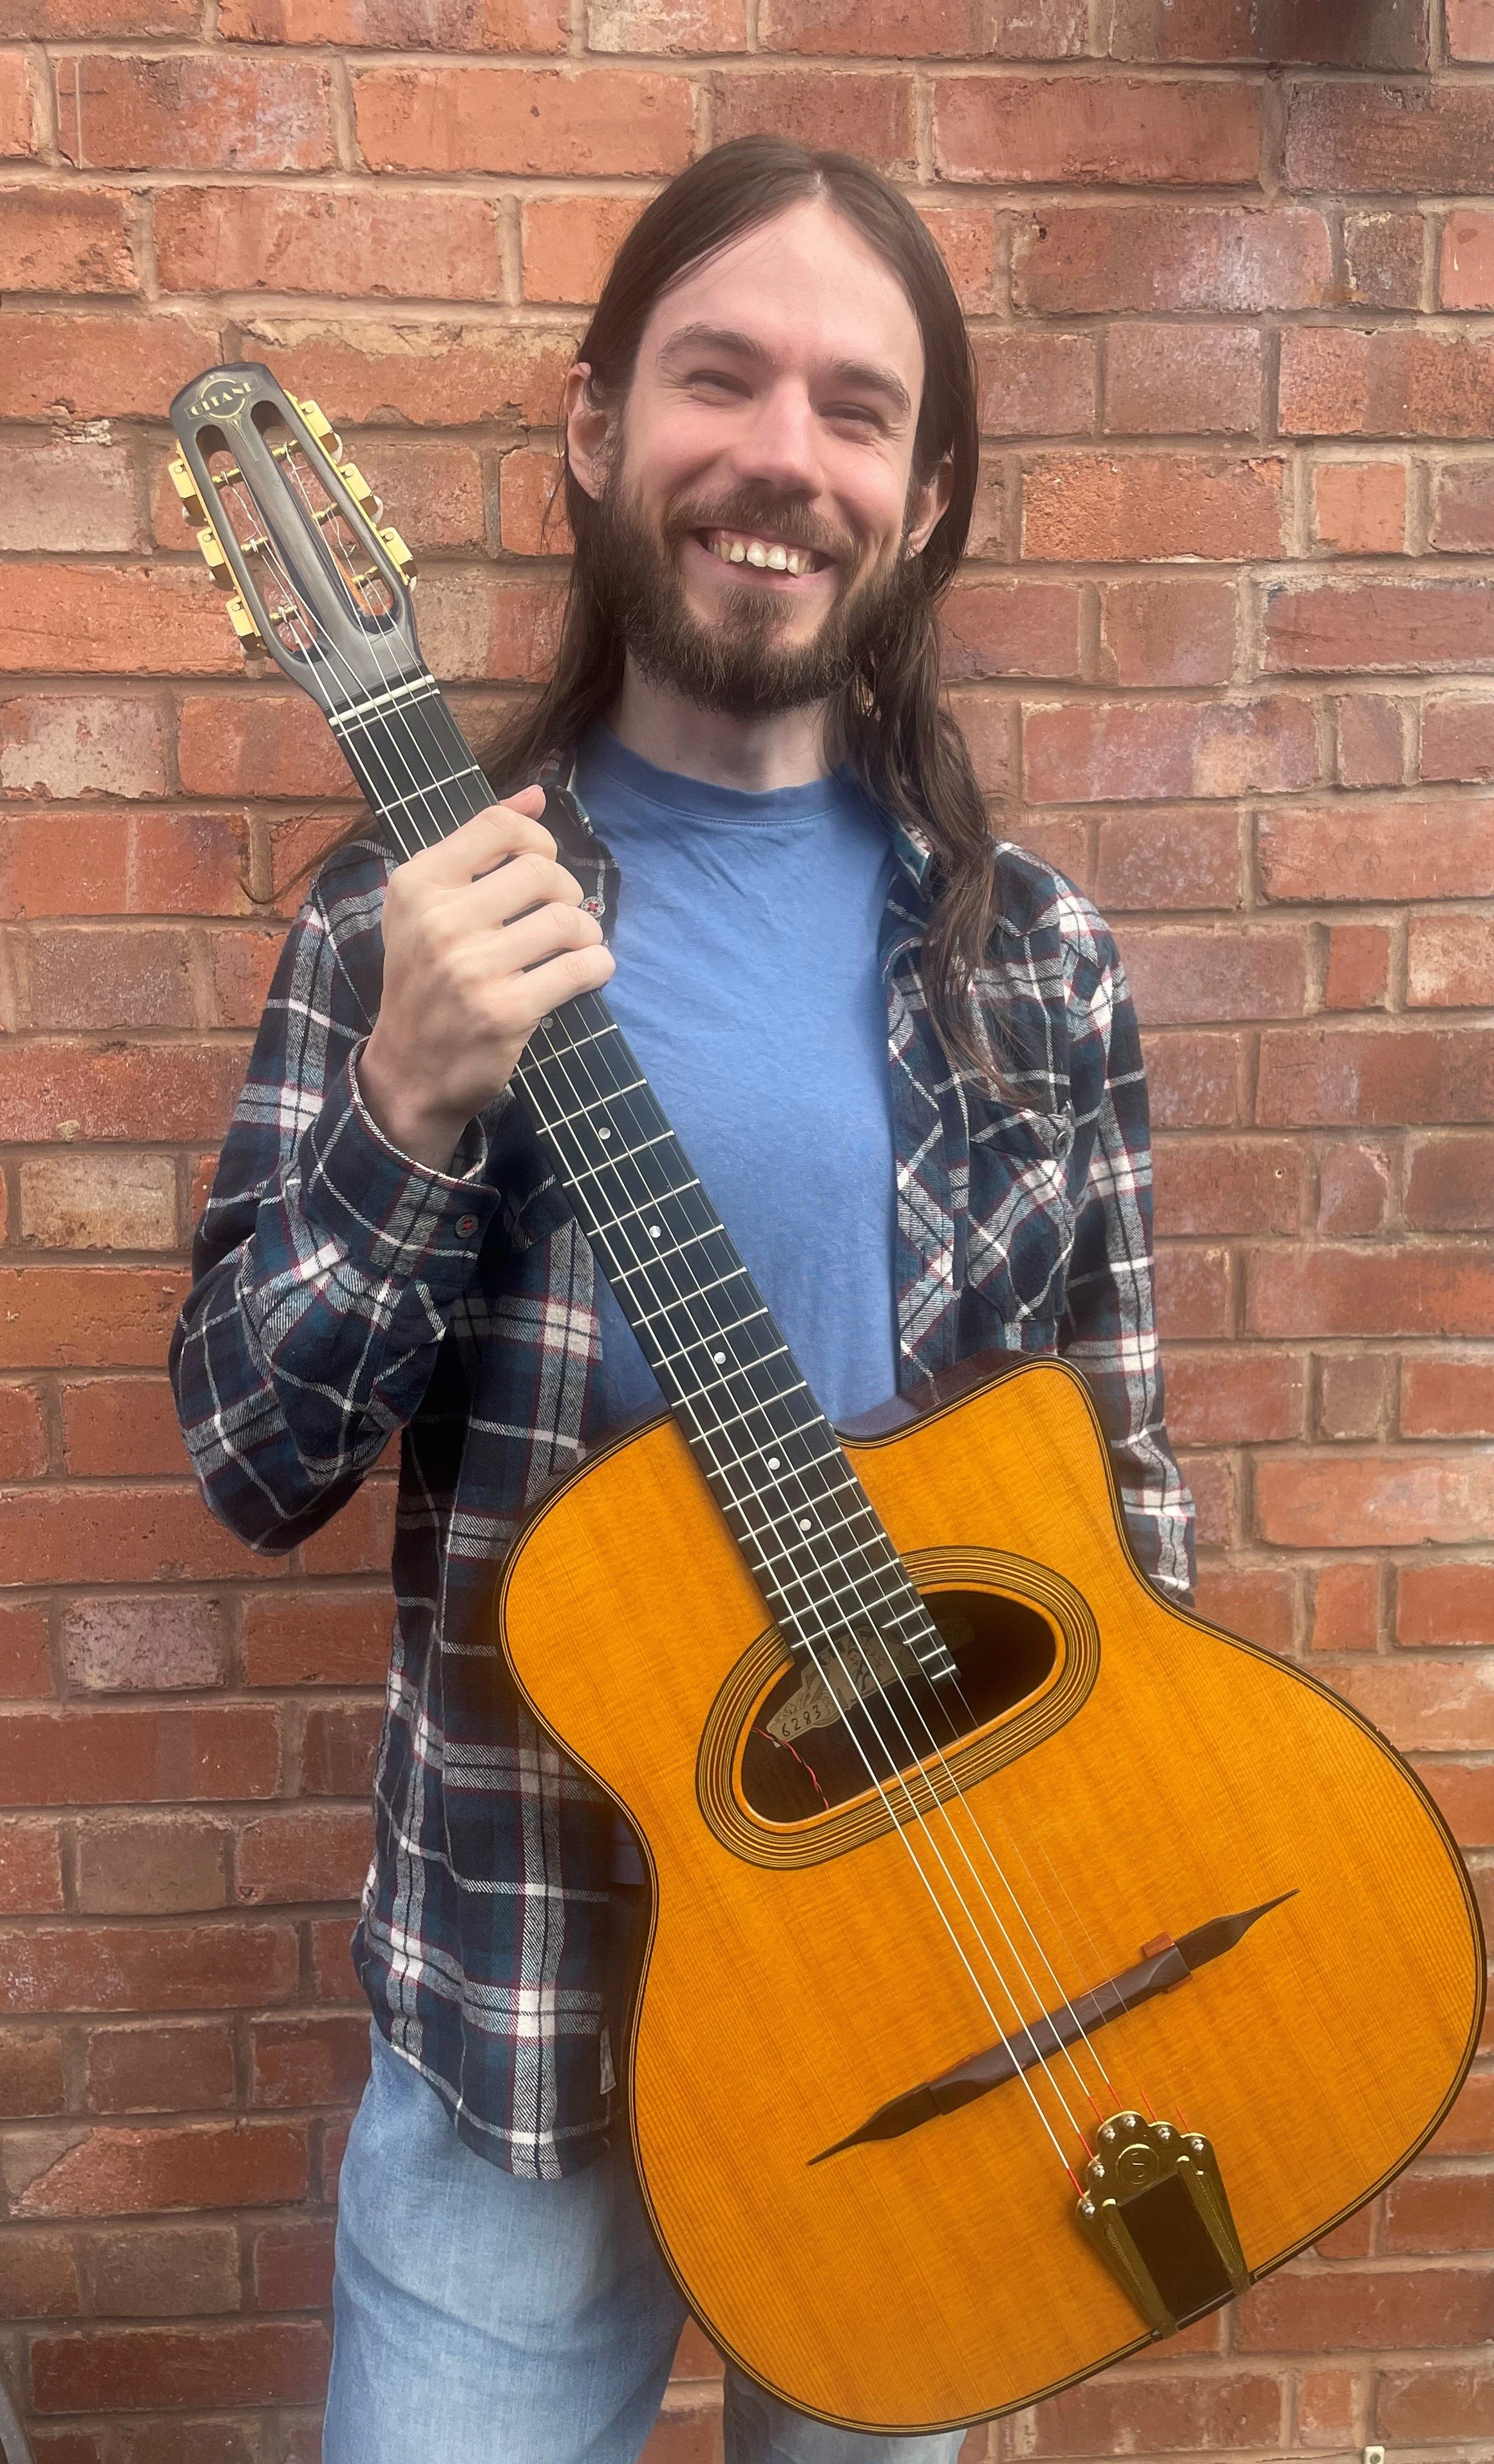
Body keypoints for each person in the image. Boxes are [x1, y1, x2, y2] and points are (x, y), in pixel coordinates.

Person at [171, 136, 1194, 2464]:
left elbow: (1123, 1493)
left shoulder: (1035, 967)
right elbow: (253, 1456)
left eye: (854, 408)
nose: (778, 458)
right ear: (591, 425)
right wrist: (410, 1101)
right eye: (716, 379)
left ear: (921, 498)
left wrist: (1102, 1909)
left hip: (930, 1994)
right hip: (516, 2033)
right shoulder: (401, 915)